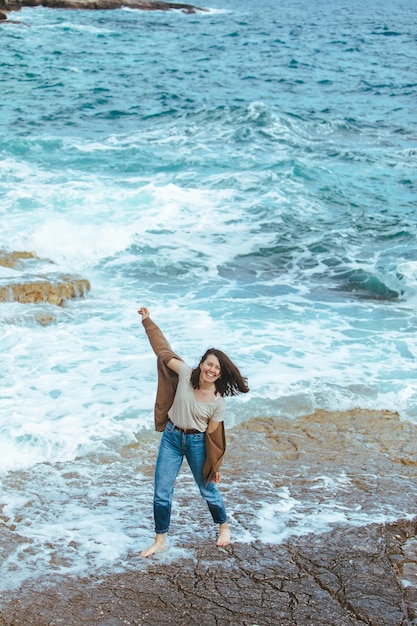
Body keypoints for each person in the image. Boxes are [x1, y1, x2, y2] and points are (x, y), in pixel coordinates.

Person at [137, 307, 249, 557]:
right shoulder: (186, 374)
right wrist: (147, 321)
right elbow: (162, 350)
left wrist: (215, 466)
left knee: (207, 488)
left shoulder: (217, 401)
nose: (212, 370)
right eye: (209, 364)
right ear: (201, 364)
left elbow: (214, 437)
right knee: (161, 491)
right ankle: (160, 539)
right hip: (171, 439)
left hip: (197, 443)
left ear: (220, 374)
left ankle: (224, 527)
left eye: (217, 368)